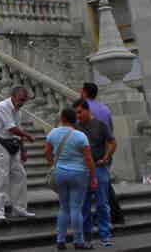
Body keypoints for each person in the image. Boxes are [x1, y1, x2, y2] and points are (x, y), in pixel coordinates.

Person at [46, 106, 98, 250]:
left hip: (60, 172)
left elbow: (47, 153)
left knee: (63, 207)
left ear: (62, 118)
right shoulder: (80, 136)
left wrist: (55, 163)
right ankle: (78, 241)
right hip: (79, 173)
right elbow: (88, 159)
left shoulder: (53, 133)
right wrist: (93, 177)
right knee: (76, 208)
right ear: (73, 119)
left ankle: (60, 240)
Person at [0, 85, 36, 221]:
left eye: (24, 101)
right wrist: (28, 135)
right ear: (13, 97)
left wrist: (23, 150)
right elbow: (12, 128)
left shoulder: (18, 112)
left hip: (12, 144)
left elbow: (17, 132)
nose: (22, 103)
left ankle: (19, 208)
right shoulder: (2, 106)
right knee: (0, 177)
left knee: (20, 175)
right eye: (20, 100)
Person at [75, 99, 115, 247]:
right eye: (76, 113)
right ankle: (87, 236)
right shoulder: (76, 127)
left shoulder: (100, 125)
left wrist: (106, 157)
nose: (78, 115)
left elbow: (112, 142)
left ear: (87, 110)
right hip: (83, 169)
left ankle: (105, 234)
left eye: (80, 112)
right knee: (84, 205)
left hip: (99, 167)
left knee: (102, 203)